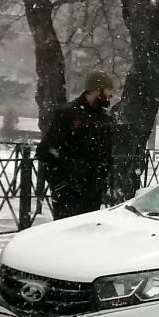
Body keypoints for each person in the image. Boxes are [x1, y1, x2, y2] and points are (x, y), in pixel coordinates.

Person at [39, 70, 118, 219]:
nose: (111, 94)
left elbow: (106, 154)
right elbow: (45, 151)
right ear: (97, 89)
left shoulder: (105, 118)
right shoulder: (67, 114)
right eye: (109, 90)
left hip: (93, 193)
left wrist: (102, 181)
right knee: (67, 236)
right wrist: (60, 186)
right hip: (69, 193)